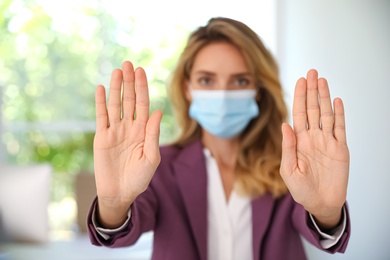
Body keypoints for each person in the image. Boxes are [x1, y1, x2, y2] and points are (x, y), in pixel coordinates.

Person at [87, 17, 351, 260]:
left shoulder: (292, 167)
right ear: (187, 87)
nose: (223, 94)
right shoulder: (156, 164)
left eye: (239, 81)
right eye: (206, 80)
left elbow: (318, 230)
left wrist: (326, 212)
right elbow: (122, 233)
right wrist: (113, 204)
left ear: (258, 90)